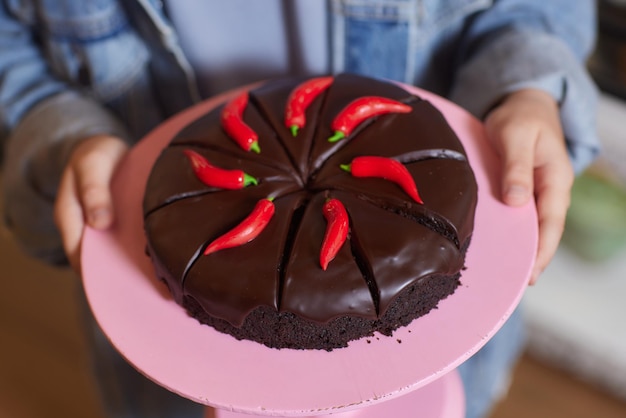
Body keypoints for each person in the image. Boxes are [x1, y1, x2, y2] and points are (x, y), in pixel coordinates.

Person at [0, 1, 599, 417]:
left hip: (445, 376)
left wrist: (527, 86)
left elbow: (535, 8)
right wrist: (63, 134)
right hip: (169, 391)